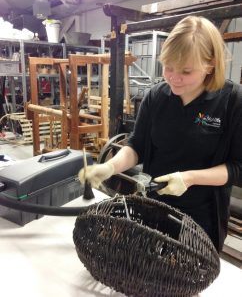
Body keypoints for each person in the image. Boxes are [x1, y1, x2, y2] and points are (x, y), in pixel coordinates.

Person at [79, 15, 242, 252]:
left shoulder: (233, 101)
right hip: (154, 208)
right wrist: (110, 167)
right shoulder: (156, 97)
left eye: (186, 71)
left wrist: (189, 178)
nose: (174, 78)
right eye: (168, 67)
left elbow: (238, 168)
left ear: (211, 64)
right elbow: (137, 146)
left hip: (203, 218)